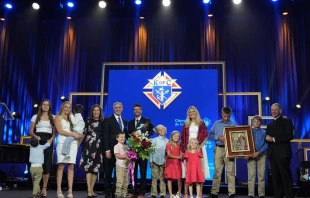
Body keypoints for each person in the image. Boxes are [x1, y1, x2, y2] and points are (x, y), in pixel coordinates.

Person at [265, 103, 294, 198]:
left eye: (275, 109)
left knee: (286, 177)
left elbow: (290, 136)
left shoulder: (287, 121)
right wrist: (268, 139)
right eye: (272, 109)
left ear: (280, 111)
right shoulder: (269, 125)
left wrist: (274, 139)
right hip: (272, 155)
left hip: (283, 154)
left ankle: (289, 196)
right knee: (275, 178)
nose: (273, 111)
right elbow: (268, 139)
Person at [55, 101, 82, 198]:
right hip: (62, 142)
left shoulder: (72, 118)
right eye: (66, 107)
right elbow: (60, 131)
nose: (67, 109)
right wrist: (73, 134)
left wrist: (78, 137)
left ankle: (70, 190)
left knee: (71, 166)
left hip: (73, 143)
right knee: (61, 165)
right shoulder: (58, 117)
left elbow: (78, 128)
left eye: (69, 107)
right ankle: (59, 189)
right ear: (62, 107)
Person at [28, 99, 55, 197]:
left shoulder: (53, 117)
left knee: (47, 163)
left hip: (48, 140)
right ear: (41, 106)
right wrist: (36, 137)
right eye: (44, 104)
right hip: (37, 140)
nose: (46, 106)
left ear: (49, 107)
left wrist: (51, 139)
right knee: (36, 163)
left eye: (48, 105)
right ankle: (37, 187)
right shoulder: (35, 116)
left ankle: (44, 188)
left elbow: (55, 132)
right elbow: (31, 130)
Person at [208, 107, 236, 198]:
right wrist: (218, 137)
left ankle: (232, 193)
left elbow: (237, 138)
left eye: (228, 116)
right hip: (219, 149)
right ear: (221, 113)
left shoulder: (233, 124)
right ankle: (214, 192)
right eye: (225, 116)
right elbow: (210, 135)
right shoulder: (216, 124)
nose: (226, 118)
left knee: (230, 172)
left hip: (229, 150)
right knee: (217, 171)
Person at [181, 106, 209, 197]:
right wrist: (185, 149)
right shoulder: (186, 124)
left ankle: (199, 193)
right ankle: (186, 192)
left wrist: (199, 147)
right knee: (188, 171)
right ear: (188, 114)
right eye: (190, 112)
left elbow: (205, 137)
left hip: (199, 148)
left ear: (196, 113)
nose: (192, 113)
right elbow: (183, 138)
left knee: (200, 170)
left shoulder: (201, 123)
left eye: (193, 111)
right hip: (188, 149)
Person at [128, 104, 154, 196]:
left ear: (141, 110)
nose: (137, 110)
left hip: (143, 149)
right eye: (135, 109)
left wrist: (141, 133)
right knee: (133, 171)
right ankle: (133, 190)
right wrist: (132, 135)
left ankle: (142, 191)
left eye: (138, 109)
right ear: (133, 111)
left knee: (143, 171)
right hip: (134, 150)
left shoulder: (146, 121)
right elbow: (129, 134)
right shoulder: (130, 123)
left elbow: (152, 131)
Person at [103, 102, 128, 198]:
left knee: (119, 174)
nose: (118, 109)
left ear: (122, 108)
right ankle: (108, 192)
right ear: (114, 109)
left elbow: (125, 136)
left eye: (119, 107)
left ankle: (116, 191)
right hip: (110, 151)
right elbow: (105, 136)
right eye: (116, 107)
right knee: (108, 173)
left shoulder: (124, 121)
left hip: (121, 153)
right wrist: (107, 150)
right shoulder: (108, 120)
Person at [79, 104, 104, 198]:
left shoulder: (103, 122)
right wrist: (77, 145)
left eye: (98, 110)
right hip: (89, 146)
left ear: (100, 112)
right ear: (92, 112)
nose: (96, 112)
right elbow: (83, 133)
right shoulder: (88, 121)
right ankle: (89, 190)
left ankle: (92, 190)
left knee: (95, 169)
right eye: (94, 110)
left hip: (99, 147)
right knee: (89, 168)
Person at [246, 115, 268, 198]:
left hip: (261, 155)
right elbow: (245, 144)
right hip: (251, 156)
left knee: (261, 175)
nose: (256, 123)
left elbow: (266, 144)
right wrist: (246, 153)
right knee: (251, 175)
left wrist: (259, 152)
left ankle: (261, 194)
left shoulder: (264, 132)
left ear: (260, 123)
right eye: (255, 121)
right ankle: (251, 194)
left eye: (258, 121)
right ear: (252, 122)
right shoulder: (248, 131)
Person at [150, 125, 169, 198]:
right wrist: (151, 161)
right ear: (157, 132)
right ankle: (153, 193)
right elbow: (151, 151)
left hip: (163, 162)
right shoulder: (154, 140)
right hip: (155, 161)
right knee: (154, 178)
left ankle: (162, 193)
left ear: (165, 131)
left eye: (163, 130)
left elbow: (167, 153)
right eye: (160, 130)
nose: (162, 131)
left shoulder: (167, 141)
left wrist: (166, 160)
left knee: (162, 178)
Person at [165, 130, 183, 198]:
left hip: (177, 163)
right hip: (170, 163)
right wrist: (178, 157)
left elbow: (181, 154)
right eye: (175, 136)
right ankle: (170, 194)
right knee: (169, 179)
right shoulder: (169, 144)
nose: (177, 137)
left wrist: (181, 155)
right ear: (172, 137)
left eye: (178, 136)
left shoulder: (179, 145)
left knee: (179, 178)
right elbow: (169, 155)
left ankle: (179, 193)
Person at [114, 132, 129, 198]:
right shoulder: (116, 146)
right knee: (120, 181)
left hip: (126, 166)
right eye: (121, 137)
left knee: (126, 182)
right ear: (117, 138)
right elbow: (117, 155)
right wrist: (126, 156)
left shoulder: (126, 146)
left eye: (124, 137)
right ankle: (118, 194)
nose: (123, 138)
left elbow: (129, 155)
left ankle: (124, 194)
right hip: (120, 166)